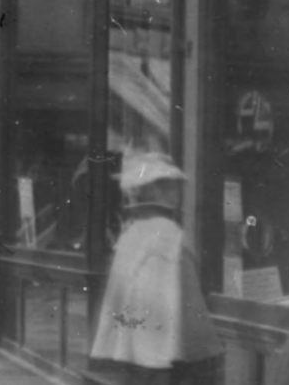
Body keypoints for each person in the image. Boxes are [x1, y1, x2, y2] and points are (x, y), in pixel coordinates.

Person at [91, 151, 221, 384]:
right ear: (153, 191)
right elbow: (185, 298)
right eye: (169, 187)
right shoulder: (169, 235)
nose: (177, 193)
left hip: (134, 348)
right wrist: (204, 345)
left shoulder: (132, 234)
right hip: (162, 350)